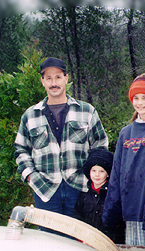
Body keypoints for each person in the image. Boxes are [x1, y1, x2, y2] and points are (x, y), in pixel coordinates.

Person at [14, 57, 108, 226]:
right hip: (45, 191)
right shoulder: (30, 115)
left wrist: (94, 178)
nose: (54, 83)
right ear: (42, 81)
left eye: (58, 77)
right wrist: (30, 177)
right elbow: (21, 150)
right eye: (48, 78)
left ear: (66, 78)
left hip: (80, 189)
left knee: (81, 242)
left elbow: (100, 146)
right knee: (50, 244)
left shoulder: (86, 111)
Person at [102, 73, 145, 246]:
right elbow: (116, 172)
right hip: (130, 209)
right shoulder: (126, 133)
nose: (139, 102)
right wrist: (112, 210)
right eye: (136, 98)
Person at [74, 148, 125, 244]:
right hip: (87, 241)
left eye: (101, 171)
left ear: (108, 174)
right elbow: (78, 218)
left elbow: (119, 223)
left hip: (109, 243)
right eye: (94, 170)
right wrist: (82, 238)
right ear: (89, 172)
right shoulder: (83, 194)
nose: (97, 175)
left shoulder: (114, 195)